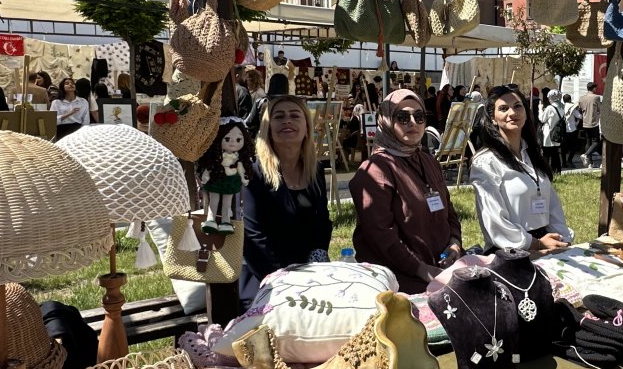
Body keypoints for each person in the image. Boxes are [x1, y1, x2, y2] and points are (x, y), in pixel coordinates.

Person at [350, 90, 463, 293]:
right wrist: (421, 269)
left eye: (419, 116)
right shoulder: (375, 171)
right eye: (402, 117)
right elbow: (381, 236)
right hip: (399, 281)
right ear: (385, 121)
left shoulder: (428, 162)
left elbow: (450, 213)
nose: (413, 123)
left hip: (443, 270)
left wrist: (455, 244)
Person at [241, 96, 332, 308]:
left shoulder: (315, 170)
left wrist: (316, 264)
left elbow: (322, 224)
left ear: (307, 127)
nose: (287, 121)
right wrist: (286, 280)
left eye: (295, 115)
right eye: (279, 116)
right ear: (268, 128)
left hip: (308, 271)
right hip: (263, 275)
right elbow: (253, 236)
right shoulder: (253, 172)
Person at [470, 86, 573, 254]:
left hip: (546, 244)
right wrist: (536, 244)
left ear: (525, 112)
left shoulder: (532, 154)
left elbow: (553, 205)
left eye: (517, 106)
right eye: (503, 108)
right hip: (511, 251)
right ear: (493, 118)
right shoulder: (486, 163)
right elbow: (494, 222)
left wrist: (562, 238)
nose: (512, 113)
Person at [539, 89, 564, 175]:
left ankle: (546, 172)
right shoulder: (562, 107)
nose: (549, 99)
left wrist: (540, 109)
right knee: (555, 154)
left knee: (546, 154)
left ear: (552, 98)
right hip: (557, 133)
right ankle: (557, 171)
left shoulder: (550, 108)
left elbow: (542, 119)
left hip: (548, 133)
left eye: (549, 97)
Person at [578, 82, 602, 168]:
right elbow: (599, 109)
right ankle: (586, 155)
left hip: (585, 123)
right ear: (594, 88)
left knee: (588, 142)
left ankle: (590, 164)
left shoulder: (581, 98)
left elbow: (580, 109)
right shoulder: (596, 97)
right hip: (594, 122)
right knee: (596, 142)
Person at [562, 93, 582, 168]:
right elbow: (580, 116)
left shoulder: (562, 107)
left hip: (564, 130)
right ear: (570, 100)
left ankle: (564, 163)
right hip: (572, 130)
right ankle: (569, 160)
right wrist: (577, 122)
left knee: (564, 147)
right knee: (573, 147)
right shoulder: (572, 108)